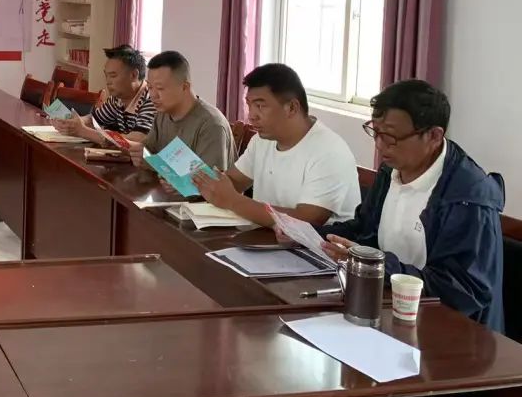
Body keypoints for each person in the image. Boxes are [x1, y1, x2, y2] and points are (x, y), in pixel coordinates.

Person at [318, 80, 504, 331]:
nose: (380, 145)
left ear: (434, 136)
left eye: (391, 137)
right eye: (376, 132)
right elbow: (364, 229)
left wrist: (379, 266)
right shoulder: (392, 170)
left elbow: (462, 291)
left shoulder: (468, 198)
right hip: (389, 310)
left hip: (452, 333)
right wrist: (310, 235)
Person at [192, 63, 360, 227]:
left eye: (260, 106)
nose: (251, 116)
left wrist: (234, 201)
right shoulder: (261, 140)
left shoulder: (329, 151)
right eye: (249, 105)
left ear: (292, 107)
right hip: (264, 237)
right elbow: (234, 181)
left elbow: (307, 221)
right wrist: (195, 181)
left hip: (315, 245)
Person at [130, 51, 235, 172]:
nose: (153, 95)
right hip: (163, 183)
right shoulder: (162, 113)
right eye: (150, 87)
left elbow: (211, 179)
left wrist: (155, 165)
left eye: (160, 88)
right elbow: (149, 150)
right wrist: (139, 154)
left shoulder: (212, 124)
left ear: (185, 86)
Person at [51, 45, 155, 144]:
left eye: (113, 76)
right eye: (106, 76)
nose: (108, 82)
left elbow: (136, 140)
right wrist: (70, 123)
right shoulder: (118, 98)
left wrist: (83, 131)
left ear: (134, 75)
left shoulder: (151, 99)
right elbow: (94, 120)